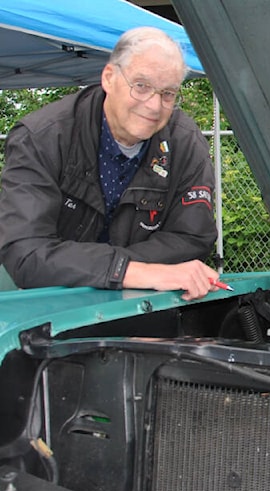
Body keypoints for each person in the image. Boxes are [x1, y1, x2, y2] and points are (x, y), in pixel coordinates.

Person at [0, 26, 220, 300]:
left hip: (145, 308)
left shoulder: (184, 142)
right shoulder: (41, 138)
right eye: (141, 86)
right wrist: (129, 272)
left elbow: (193, 238)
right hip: (52, 313)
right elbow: (25, 252)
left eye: (167, 94)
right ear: (109, 77)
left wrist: (111, 271)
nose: (154, 106)